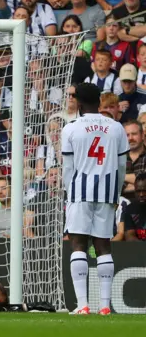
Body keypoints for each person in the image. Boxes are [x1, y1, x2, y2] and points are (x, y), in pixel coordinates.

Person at [62, 83, 129, 315]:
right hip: (107, 191)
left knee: (78, 244)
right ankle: (104, 305)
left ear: (78, 103)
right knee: (103, 246)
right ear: (99, 101)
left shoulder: (70, 129)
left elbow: (68, 168)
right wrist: (116, 192)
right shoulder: (116, 127)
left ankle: (82, 304)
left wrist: (68, 192)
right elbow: (121, 165)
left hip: (80, 192)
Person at [121, 174, 146, 240]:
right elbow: (130, 236)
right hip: (139, 248)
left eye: (144, 191)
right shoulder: (129, 209)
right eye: (138, 191)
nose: (141, 194)